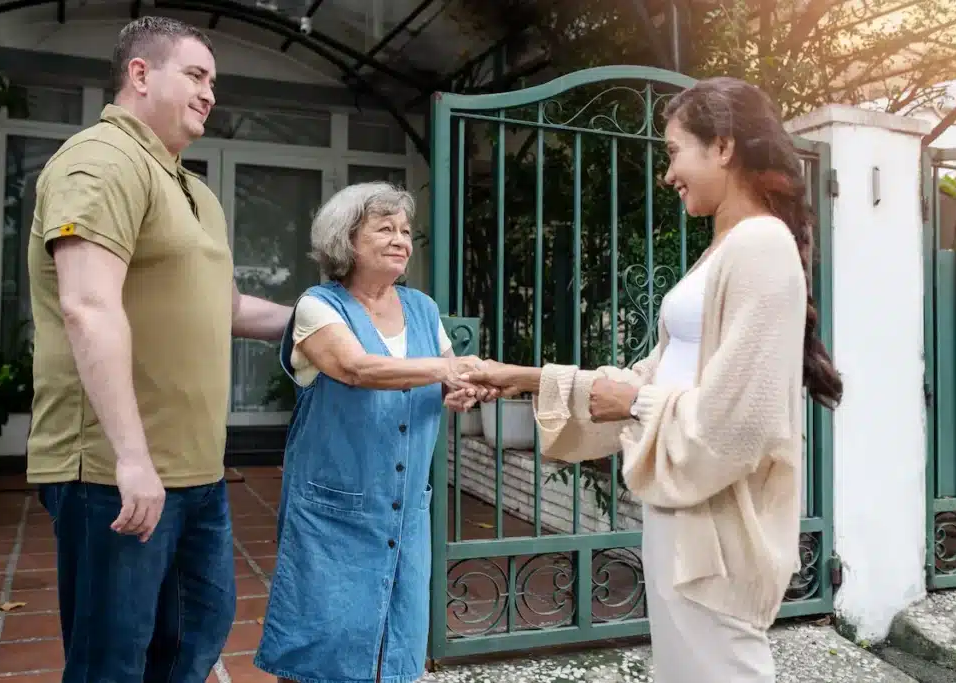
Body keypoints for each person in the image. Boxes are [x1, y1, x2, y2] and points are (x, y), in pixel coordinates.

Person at [463, 76, 843, 682]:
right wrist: (523, 378)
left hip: (718, 530)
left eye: (673, 151)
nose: (668, 174)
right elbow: (654, 376)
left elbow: (737, 425)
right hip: (684, 513)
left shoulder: (761, 246)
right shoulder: (723, 249)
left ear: (722, 146)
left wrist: (637, 403)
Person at [26, 16, 292, 683]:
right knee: (111, 662)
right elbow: (87, 305)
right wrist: (132, 457)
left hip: (198, 472)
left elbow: (227, 308)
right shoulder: (100, 162)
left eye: (214, 82)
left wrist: (332, 321)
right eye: (196, 75)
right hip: (118, 475)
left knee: (191, 640)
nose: (210, 94)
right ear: (141, 74)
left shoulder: (193, 189)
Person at [253, 181, 485, 683]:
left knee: (398, 645)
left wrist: (459, 392)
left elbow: (448, 379)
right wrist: (444, 372)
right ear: (346, 240)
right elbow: (357, 368)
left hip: (406, 513)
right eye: (385, 229)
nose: (401, 238)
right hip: (334, 512)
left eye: (405, 230)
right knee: (325, 645)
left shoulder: (422, 308)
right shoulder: (318, 306)